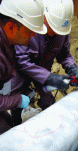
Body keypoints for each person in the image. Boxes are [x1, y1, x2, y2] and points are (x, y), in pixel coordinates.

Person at [15, 0, 78, 110]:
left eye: (57, 30)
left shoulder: (61, 30)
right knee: (16, 101)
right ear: (44, 16)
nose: (55, 32)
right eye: (51, 27)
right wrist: (49, 77)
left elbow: (64, 54)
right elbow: (21, 61)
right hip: (20, 73)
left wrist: (71, 67)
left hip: (44, 72)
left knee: (49, 103)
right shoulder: (27, 25)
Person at [0, 0, 47, 134]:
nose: (33, 35)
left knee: (9, 122)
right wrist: (17, 100)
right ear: (11, 27)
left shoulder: (7, 41)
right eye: (29, 31)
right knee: (6, 135)